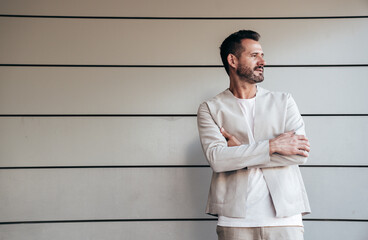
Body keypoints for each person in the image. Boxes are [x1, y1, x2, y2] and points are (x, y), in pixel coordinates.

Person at [197, 30, 311, 240]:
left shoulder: (284, 102)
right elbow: (217, 160)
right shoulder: (210, 108)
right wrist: (272, 146)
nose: (263, 61)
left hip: (286, 219)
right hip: (235, 221)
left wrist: (239, 153)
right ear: (233, 60)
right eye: (254, 55)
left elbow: (299, 154)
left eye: (262, 55)